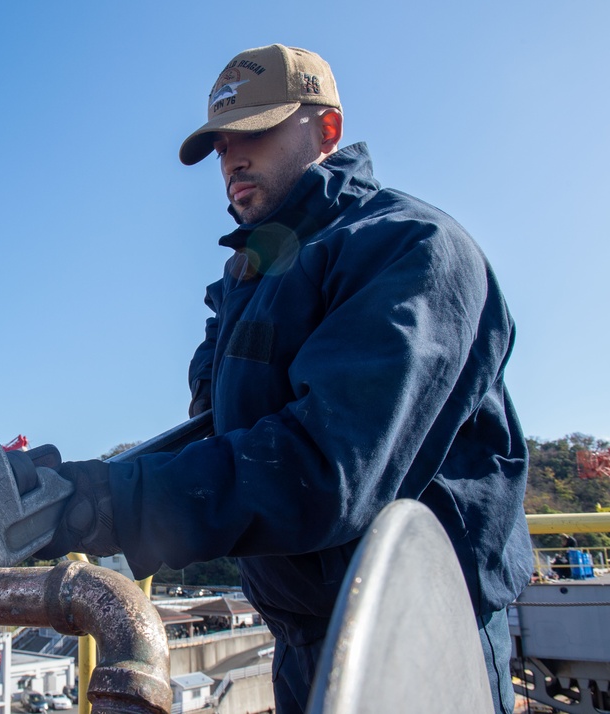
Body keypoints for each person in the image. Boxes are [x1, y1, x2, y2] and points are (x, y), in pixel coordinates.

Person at [33, 44, 532, 714]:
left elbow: (325, 468)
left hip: (422, 644)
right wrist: (63, 491)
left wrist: (104, 505)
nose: (233, 158)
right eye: (220, 143)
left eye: (257, 130)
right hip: (299, 645)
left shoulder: (409, 248)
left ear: (326, 130)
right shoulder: (247, 283)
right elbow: (218, 439)